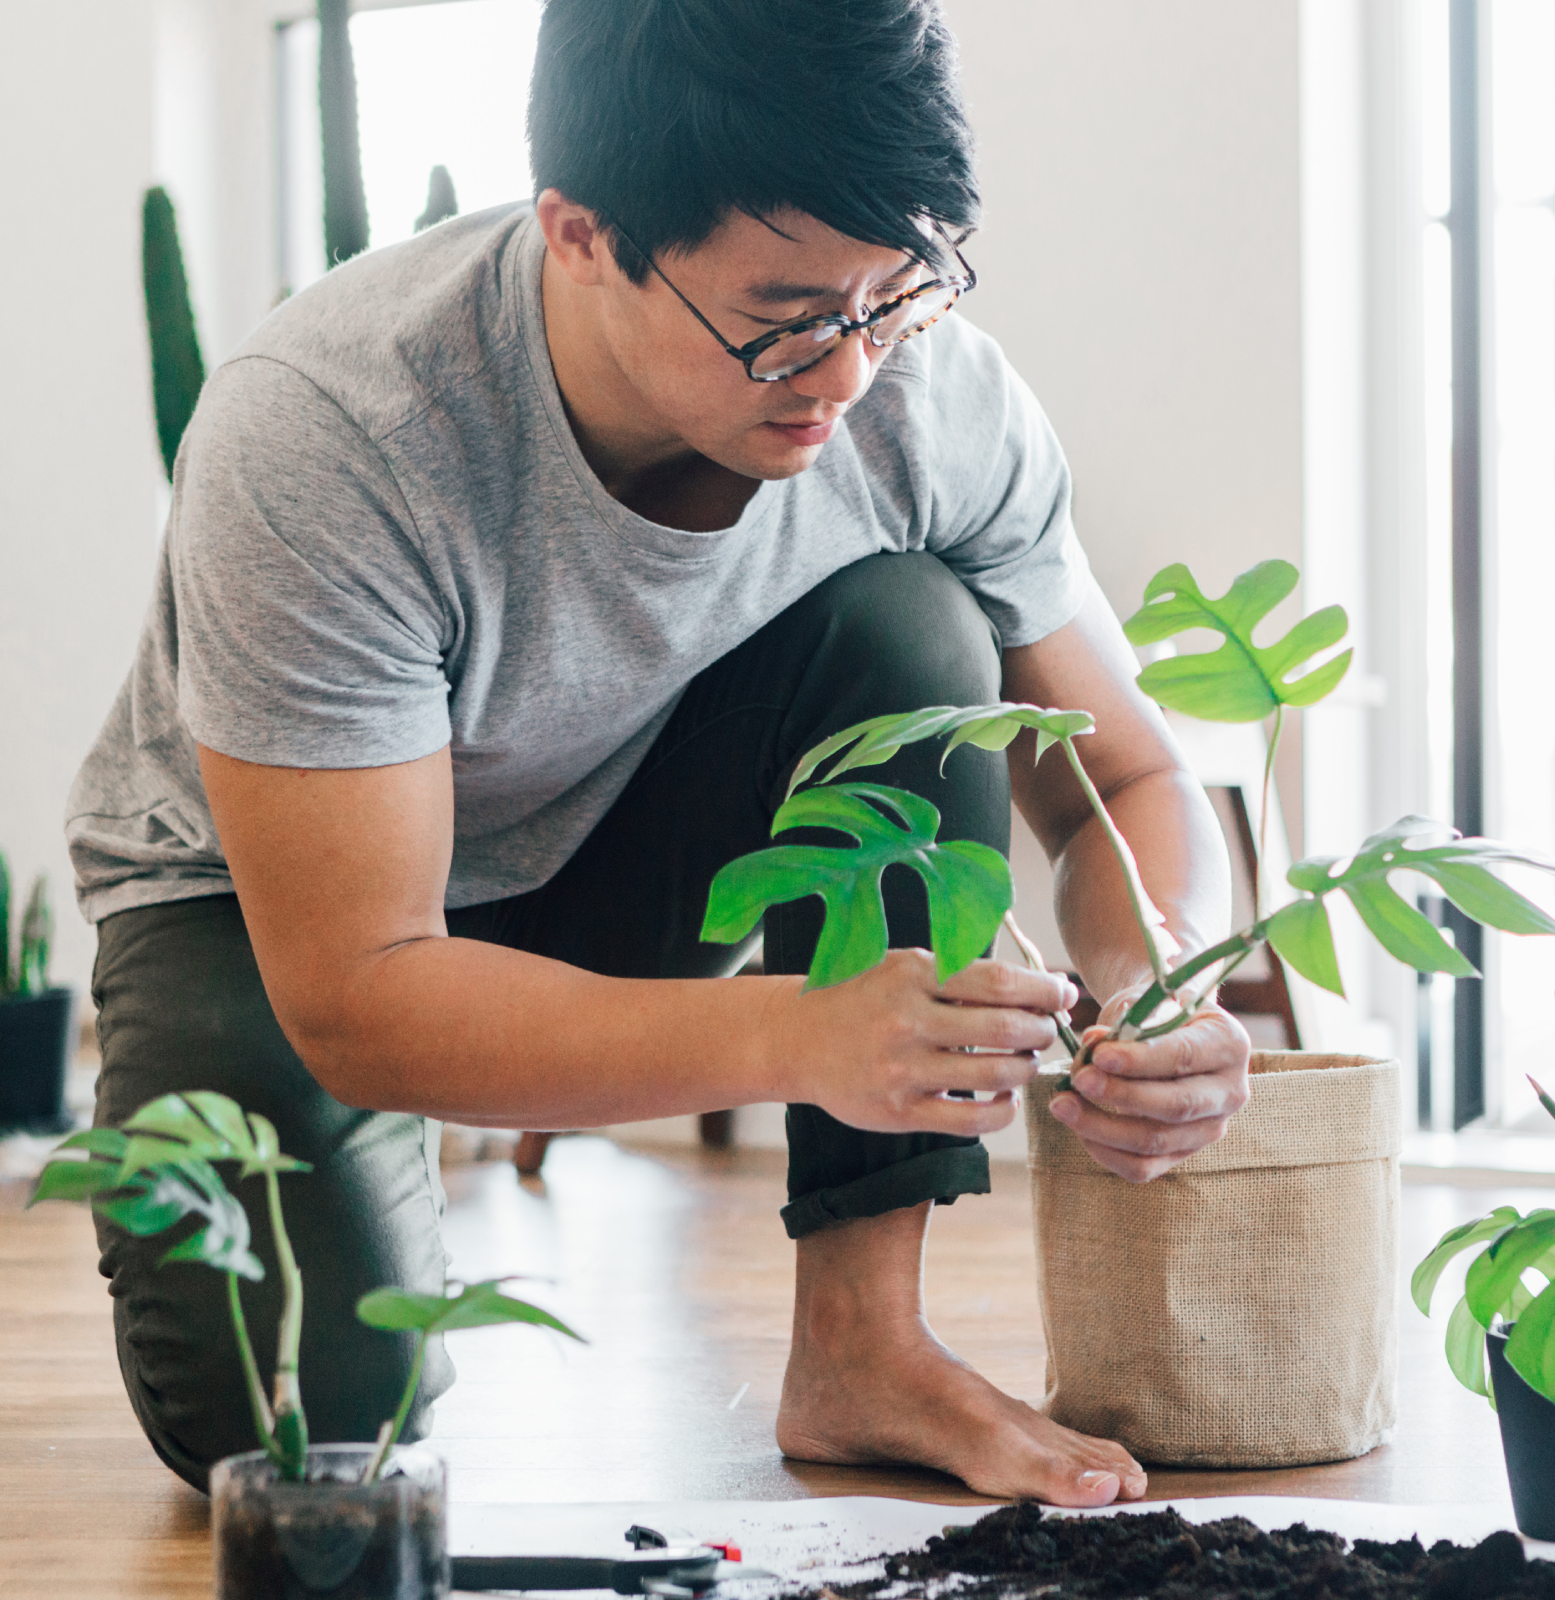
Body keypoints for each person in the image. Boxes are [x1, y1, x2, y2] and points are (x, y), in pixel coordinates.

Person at [68, 0, 1250, 1505]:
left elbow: (1128, 782)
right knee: (309, 1439)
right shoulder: (331, 430)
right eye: (785, 317)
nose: (849, 371)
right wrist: (804, 1036)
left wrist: (1159, 973)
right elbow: (363, 992)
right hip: (276, 927)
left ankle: (867, 1350)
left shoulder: (921, 393)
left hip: (633, 852)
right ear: (579, 234)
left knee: (914, 633)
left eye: (896, 293)